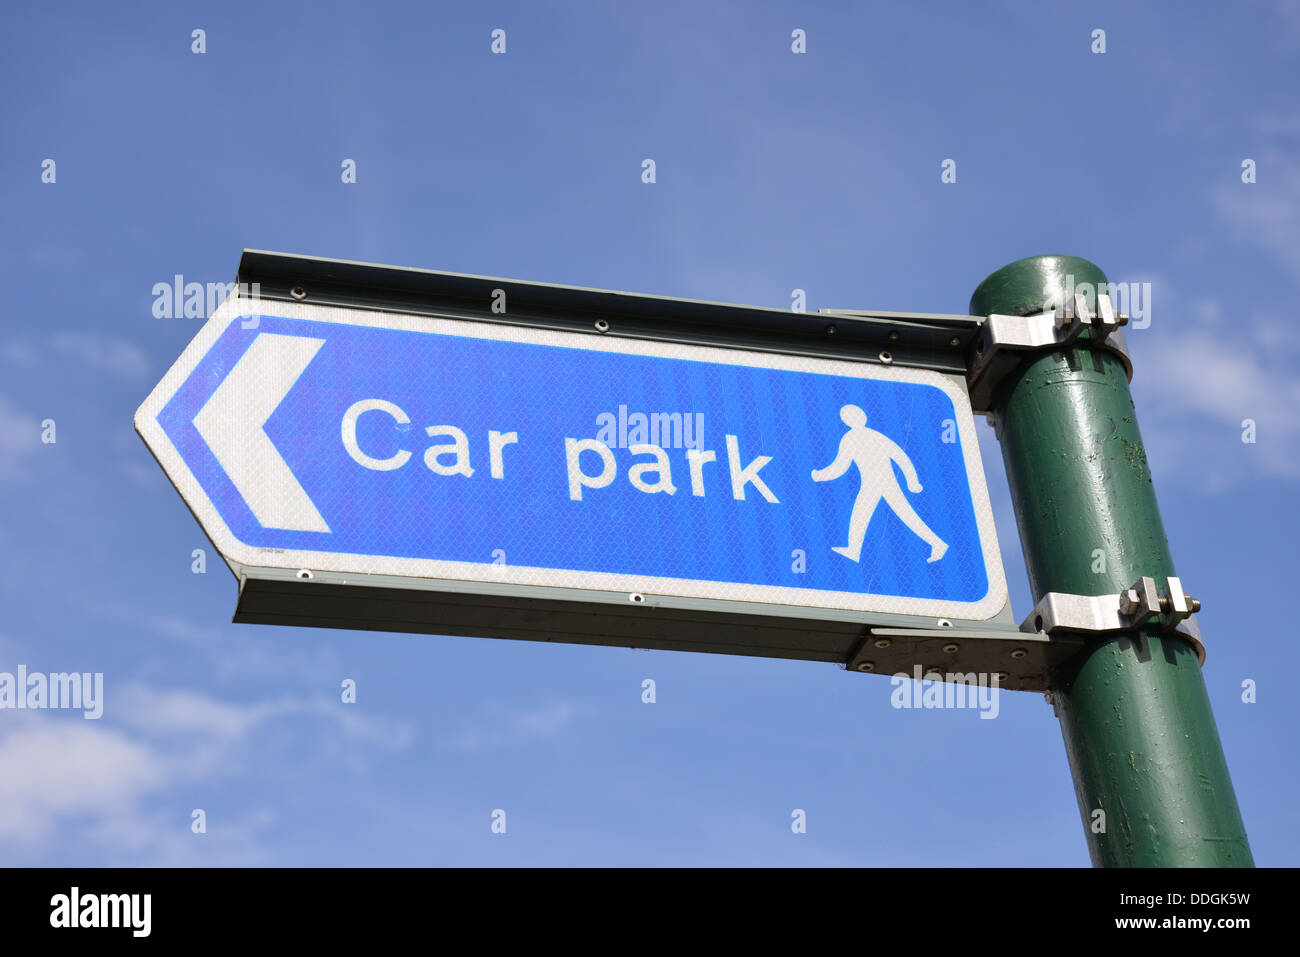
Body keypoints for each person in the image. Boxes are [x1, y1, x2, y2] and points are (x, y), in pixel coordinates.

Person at [811, 403, 948, 563]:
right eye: (845, 416)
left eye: (850, 415)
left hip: (884, 482)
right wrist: (820, 475)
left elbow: (899, 456)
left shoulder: (866, 437)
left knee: (906, 515)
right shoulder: (852, 438)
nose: (848, 419)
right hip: (871, 484)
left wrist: (912, 481)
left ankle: (938, 543)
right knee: (861, 514)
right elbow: (841, 465)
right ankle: (853, 550)